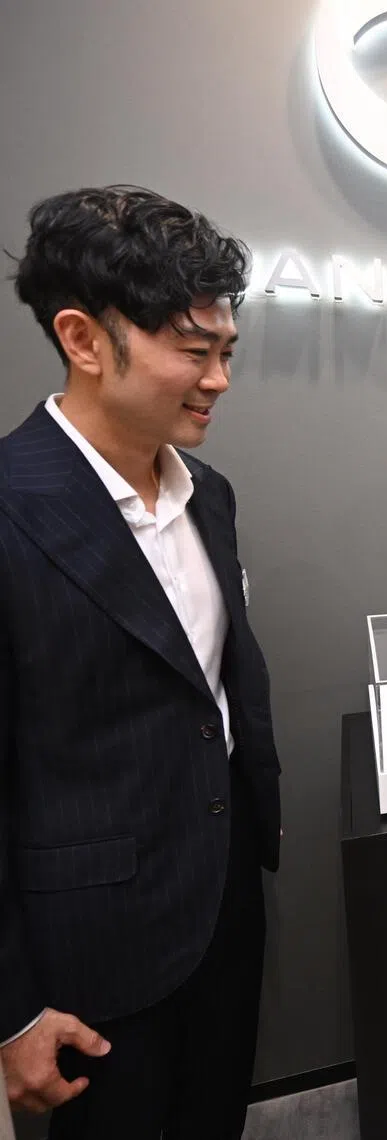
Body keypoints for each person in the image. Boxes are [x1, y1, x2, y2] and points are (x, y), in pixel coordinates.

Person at [0, 186, 280, 1139]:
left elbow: (217, 680)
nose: (219, 380)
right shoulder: (10, 506)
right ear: (84, 339)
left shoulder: (211, 494)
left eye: (227, 352)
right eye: (193, 352)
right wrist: (12, 1008)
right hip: (92, 946)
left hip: (225, 897)